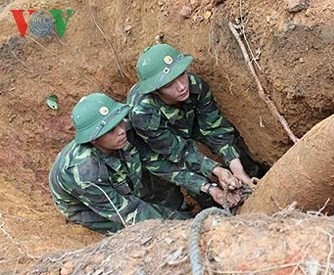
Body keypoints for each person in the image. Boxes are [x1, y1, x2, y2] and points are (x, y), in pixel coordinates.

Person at [127, 44, 263, 207]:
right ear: (156, 90)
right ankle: (214, 207)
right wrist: (216, 173)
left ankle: (250, 179)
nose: (181, 86)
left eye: (181, 74)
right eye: (169, 84)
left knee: (236, 153)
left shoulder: (194, 85)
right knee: (192, 179)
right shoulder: (143, 114)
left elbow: (214, 127)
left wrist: (237, 169)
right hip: (157, 147)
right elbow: (178, 153)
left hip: (187, 121)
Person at [48, 92, 199, 234]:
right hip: (87, 206)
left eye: (119, 122)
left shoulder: (122, 133)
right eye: (110, 130)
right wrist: (179, 226)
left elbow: (156, 162)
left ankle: (179, 210)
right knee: (134, 229)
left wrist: (203, 186)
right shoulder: (84, 174)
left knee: (155, 179)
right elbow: (126, 211)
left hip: (116, 174)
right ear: (93, 139)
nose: (121, 131)